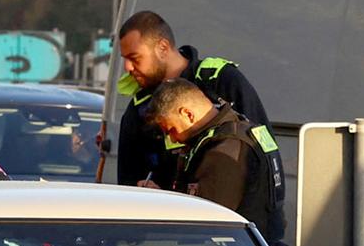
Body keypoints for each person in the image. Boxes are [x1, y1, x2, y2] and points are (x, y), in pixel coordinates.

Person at [112, 11, 280, 193]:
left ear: (163, 47)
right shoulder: (140, 108)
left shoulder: (220, 81)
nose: (127, 67)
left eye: (135, 58)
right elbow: (128, 183)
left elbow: (265, 156)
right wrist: (149, 191)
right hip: (171, 210)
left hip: (232, 210)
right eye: (125, 59)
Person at [149, 77, 288, 246]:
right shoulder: (241, 127)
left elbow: (206, 222)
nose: (172, 139)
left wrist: (160, 205)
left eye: (171, 130)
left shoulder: (224, 149)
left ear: (188, 114)